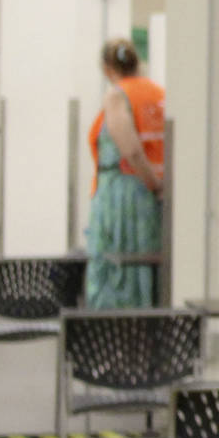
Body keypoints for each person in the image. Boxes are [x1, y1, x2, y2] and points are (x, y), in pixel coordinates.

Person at [85, 38, 165, 308]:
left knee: (115, 272)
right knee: (146, 271)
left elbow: (129, 148)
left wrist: (151, 182)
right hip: (151, 200)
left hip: (122, 199)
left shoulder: (116, 96)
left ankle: (114, 337)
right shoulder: (159, 94)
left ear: (108, 68)